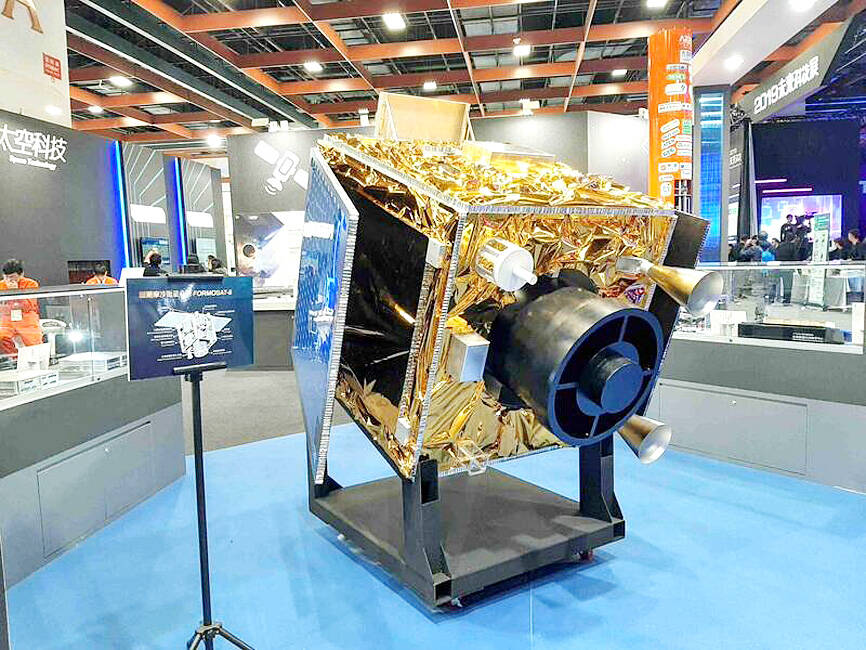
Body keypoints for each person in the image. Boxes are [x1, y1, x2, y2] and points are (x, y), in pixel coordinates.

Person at [0, 259, 43, 356]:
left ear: (21, 274)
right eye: (6, 277)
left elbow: (29, 306)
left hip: (27, 320)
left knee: (34, 342)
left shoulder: (31, 284)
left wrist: (15, 292)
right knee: (2, 338)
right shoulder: (1, 285)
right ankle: (14, 359)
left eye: (12, 277)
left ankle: (37, 360)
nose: (9, 280)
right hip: (7, 321)